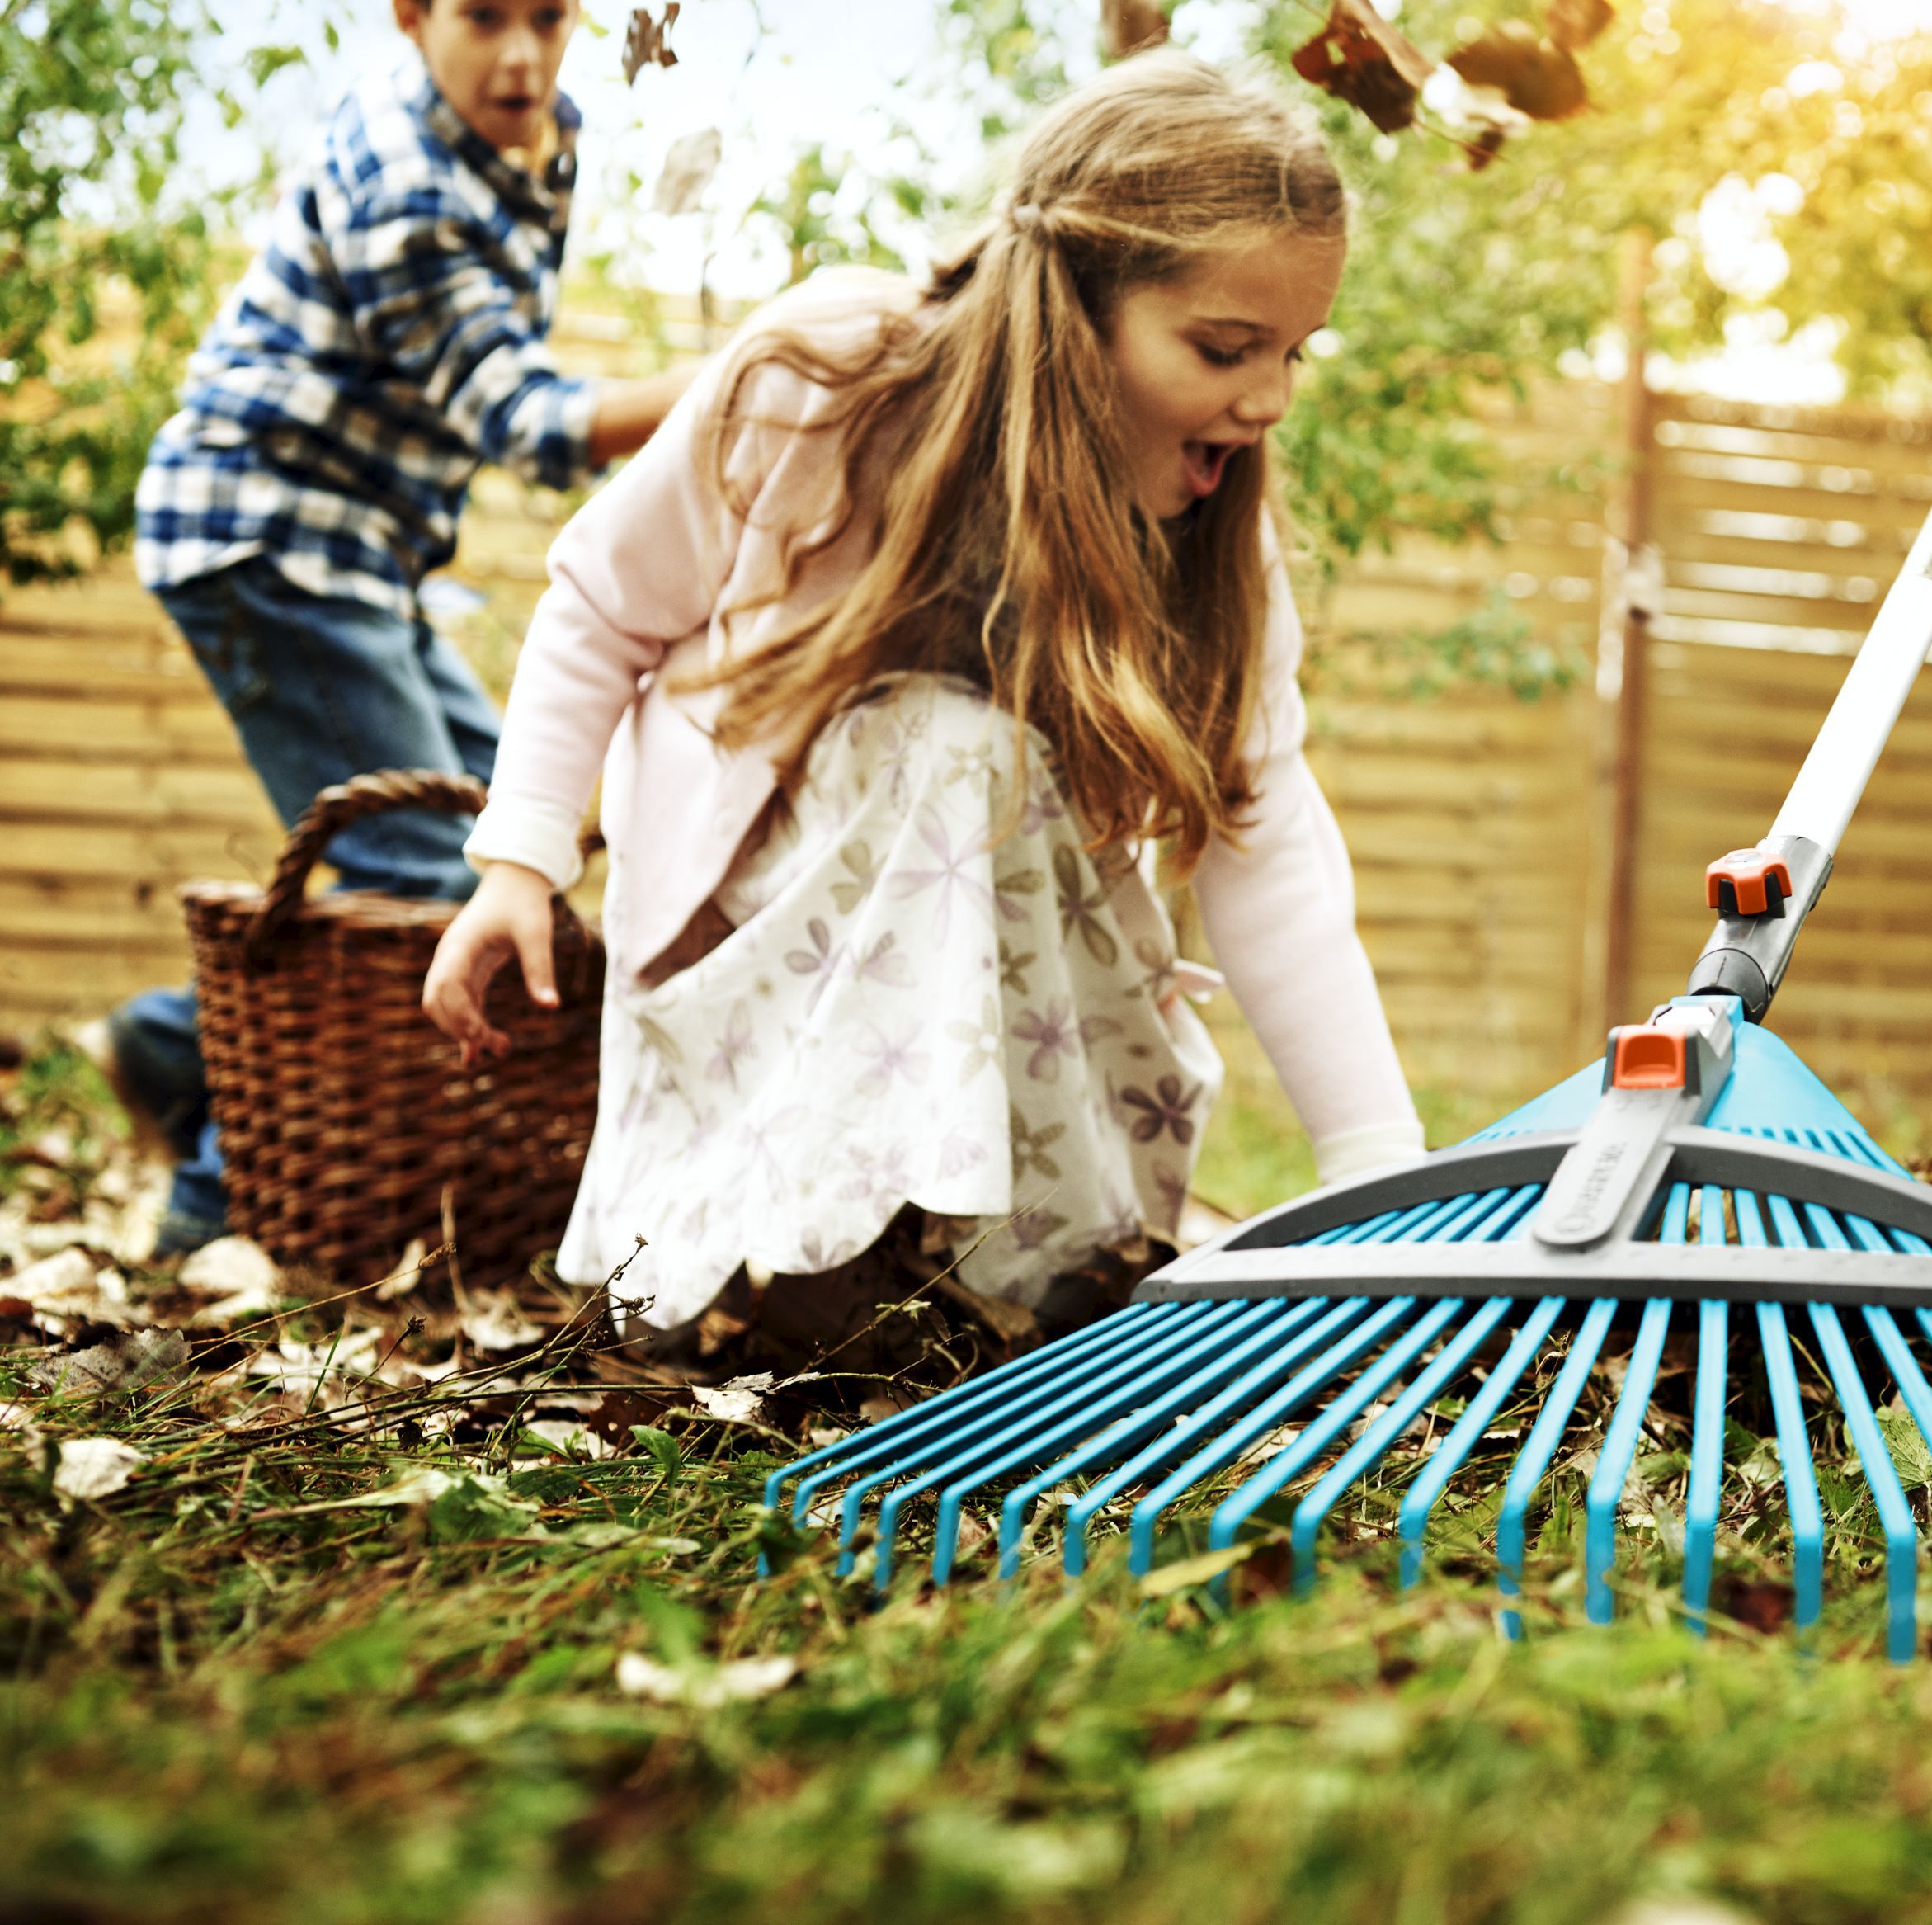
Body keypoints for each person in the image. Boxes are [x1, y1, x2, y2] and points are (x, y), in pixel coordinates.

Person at [421, 54, 1427, 1357]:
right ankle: (818, 1267)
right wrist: (518, 858)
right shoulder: (835, 382)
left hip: (1013, 995)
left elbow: (1264, 825)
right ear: (1072, 304)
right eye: (1225, 348)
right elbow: (603, 602)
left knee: (982, 769)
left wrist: (1376, 1159)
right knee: (959, 748)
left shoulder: (1206, 536)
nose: (1271, 397)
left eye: (1296, 351)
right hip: (756, 959)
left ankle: (1001, 1280)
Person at [116, 0, 695, 1255]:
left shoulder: (544, 134)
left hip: (363, 555)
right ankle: (214, 1208)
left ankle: (175, 1040)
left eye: (549, 18)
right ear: (412, 15)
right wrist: (747, 371)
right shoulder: (401, 169)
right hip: (264, 534)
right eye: (484, 18)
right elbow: (521, 416)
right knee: (425, 875)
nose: (523, 56)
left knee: (510, 828)